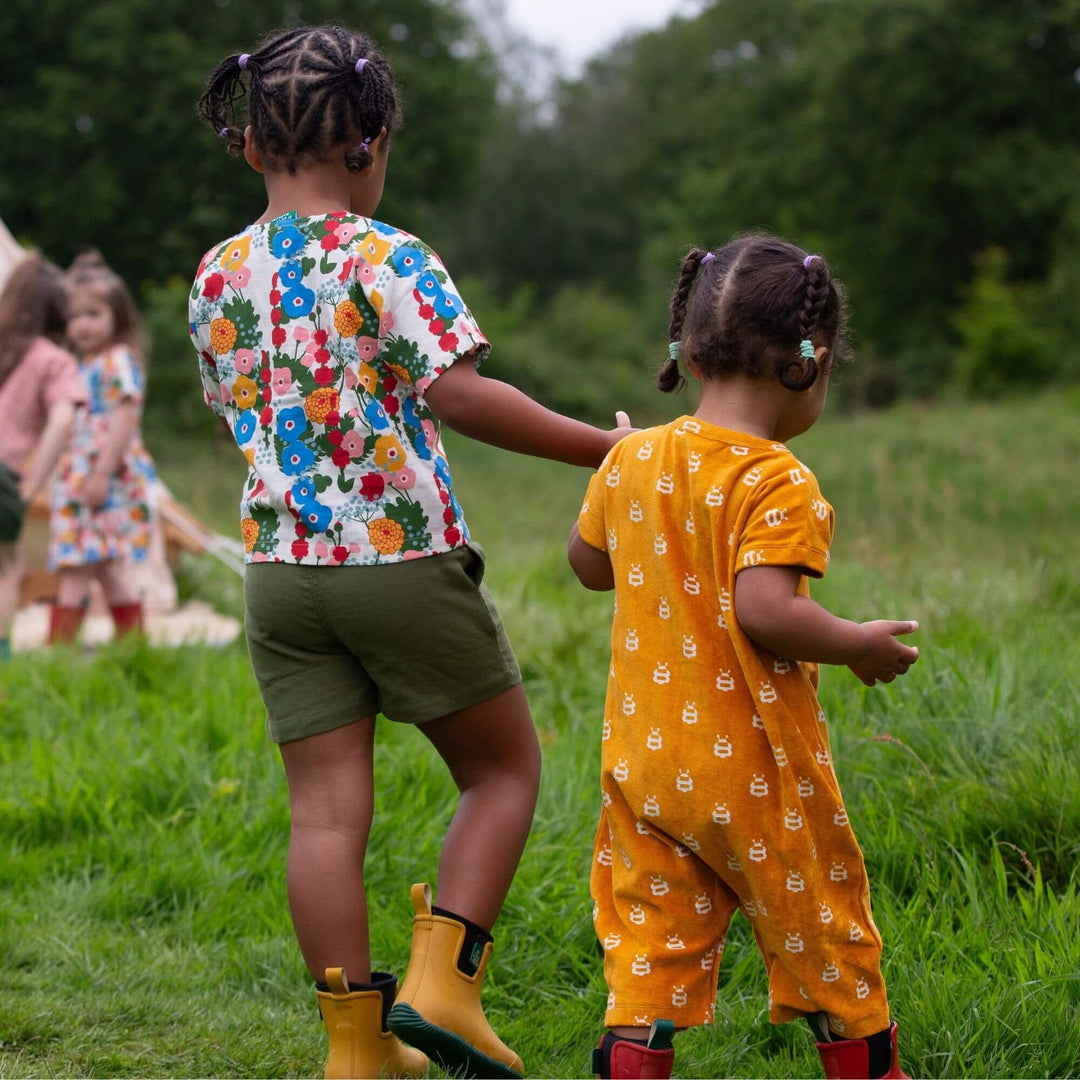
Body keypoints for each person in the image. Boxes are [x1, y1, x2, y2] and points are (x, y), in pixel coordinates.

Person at [191, 25, 631, 1080]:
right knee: (503, 771)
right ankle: (445, 987)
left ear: (251, 147)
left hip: (281, 577)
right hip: (397, 560)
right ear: (371, 143)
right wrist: (604, 448)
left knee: (326, 816)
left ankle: (358, 1050)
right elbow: (462, 394)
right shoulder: (389, 257)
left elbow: (237, 419)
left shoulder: (216, 276)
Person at [568, 235, 918, 1080]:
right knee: (822, 925)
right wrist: (856, 645)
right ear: (813, 364)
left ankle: (632, 1062)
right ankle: (868, 1066)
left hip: (647, 766)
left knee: (649, 942)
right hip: (756, 771)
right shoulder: (777, 478)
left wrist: (623, 469)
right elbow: (766, 611)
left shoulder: (633, 458)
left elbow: (587, 567)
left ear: (690, 353)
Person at [47, 253, 157, 643]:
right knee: (106, 565)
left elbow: (125, 420)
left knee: (78, 564)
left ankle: (57, 655)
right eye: (74, 317)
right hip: (85, 474)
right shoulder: (83, 364)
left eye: (93, 313)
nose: (82, 325)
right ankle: (133, 649)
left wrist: (100, 474)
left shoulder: (118, 360)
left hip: (104, 478)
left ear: (117, 316)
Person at [0, 255, 85, 658]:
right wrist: (32, 482)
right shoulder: (53, 359)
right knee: (5, 570)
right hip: (5, 471)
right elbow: (63, 421)